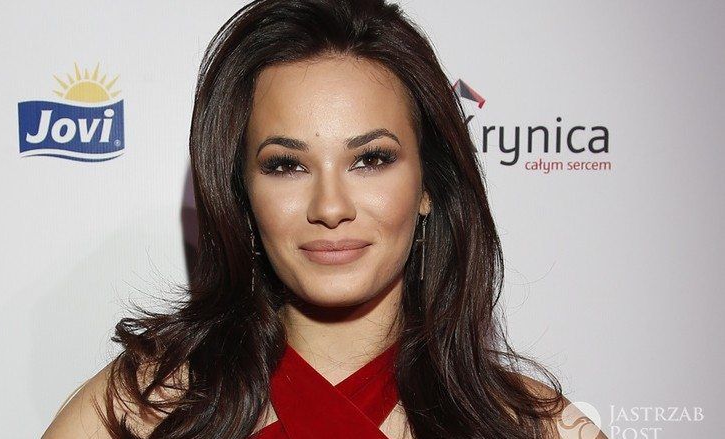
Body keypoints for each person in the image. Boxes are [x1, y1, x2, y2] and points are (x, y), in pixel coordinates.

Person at [42, 1, 607, 438]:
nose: (330, 207)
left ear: (429, 185)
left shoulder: (538, 428)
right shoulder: (140, 412)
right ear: (241, 194)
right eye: (286, 165)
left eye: (371, 159)